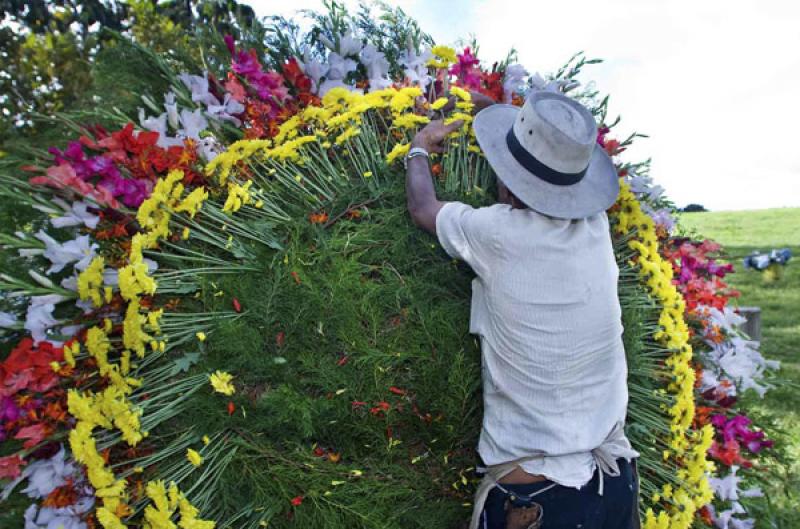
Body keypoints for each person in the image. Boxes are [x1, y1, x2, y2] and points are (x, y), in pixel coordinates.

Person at [405, 89, 641, 529]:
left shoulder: (497, 233)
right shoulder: (596, 226)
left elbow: (423, 207)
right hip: (614, 484)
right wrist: (492, 109)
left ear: (509, 183)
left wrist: (419, 146)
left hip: (538, 503)